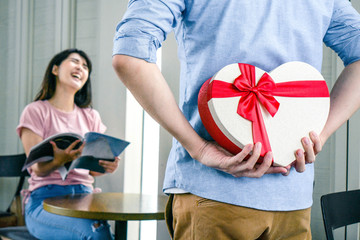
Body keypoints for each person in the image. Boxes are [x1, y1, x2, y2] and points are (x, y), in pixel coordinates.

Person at [112, 1, 360, 239]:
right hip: (293, 200)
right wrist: (320, 133)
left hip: (213, 194)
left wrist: (198, 147)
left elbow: (130, 56)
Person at [17, 48, 119, 240]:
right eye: (75, 62)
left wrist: (107, 164)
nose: (80, 68)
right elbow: (37, 169)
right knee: (97, 234)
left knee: (100, 232)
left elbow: (94, 172)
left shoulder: (91, 116)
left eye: (85, 66)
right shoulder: (35, 111)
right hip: (44, 202)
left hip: (85, 198)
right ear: (55, 69)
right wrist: (58, 161)